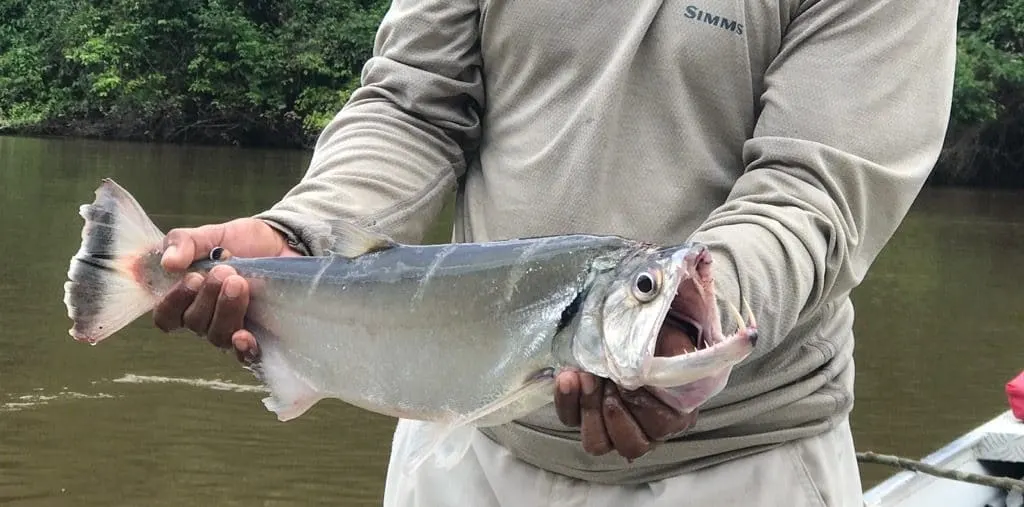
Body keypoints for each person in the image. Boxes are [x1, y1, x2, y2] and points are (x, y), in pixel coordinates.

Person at [152, 1, 958, 505]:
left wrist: (695, 327)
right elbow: (413, 101)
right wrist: (306, 231)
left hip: (743, 464)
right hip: (466, 444)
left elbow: (813, 187)